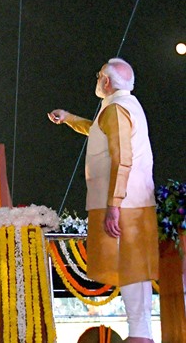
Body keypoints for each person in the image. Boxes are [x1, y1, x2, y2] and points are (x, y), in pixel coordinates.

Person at [48, 58, 158, 343]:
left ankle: (140, 334)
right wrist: (70, 119)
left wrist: (114, 206)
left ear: (106, 82)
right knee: (132, 267)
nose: (97, 80)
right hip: (129, 201)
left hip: (125, 204)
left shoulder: (117, 109)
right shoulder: (118, 107)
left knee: (132, 268)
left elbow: (122, 159)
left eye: (99, 76)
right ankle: (140, 332)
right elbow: (99, 131)